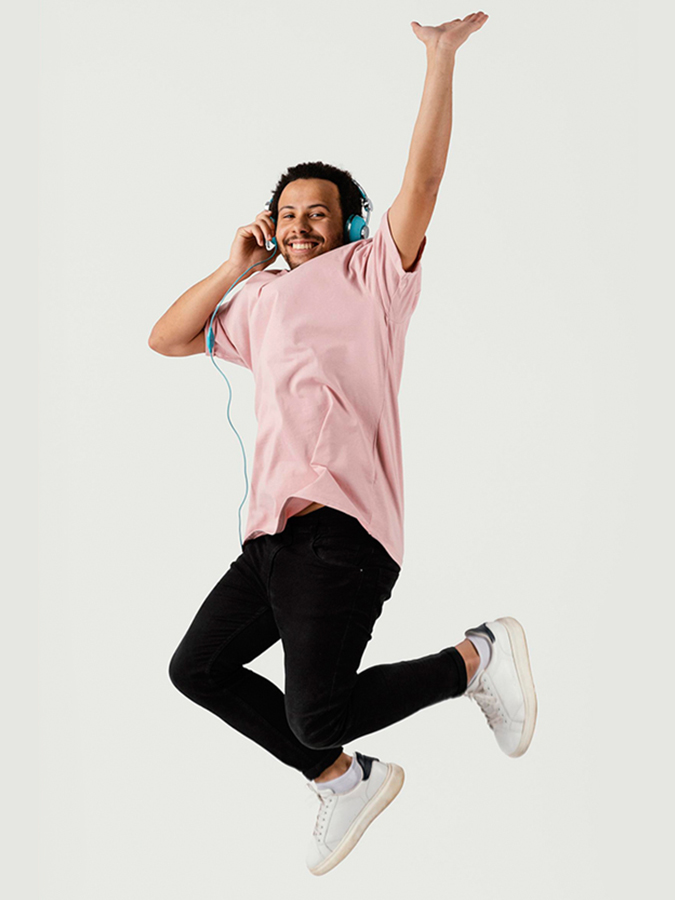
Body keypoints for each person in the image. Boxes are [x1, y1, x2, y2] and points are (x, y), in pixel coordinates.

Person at [149, 11, 536, 877]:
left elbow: (423, 178)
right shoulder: (256, 303)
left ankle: (475, 658)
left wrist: (439, 59)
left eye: (317, 213)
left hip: (342, 530)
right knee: (197, 668)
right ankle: (342, 778)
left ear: (350, 223)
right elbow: (166, 338)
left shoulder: (373, 277)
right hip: (270, 541)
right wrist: (236, 265)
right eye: (287, 213)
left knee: (315, 711)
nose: (300, 225)